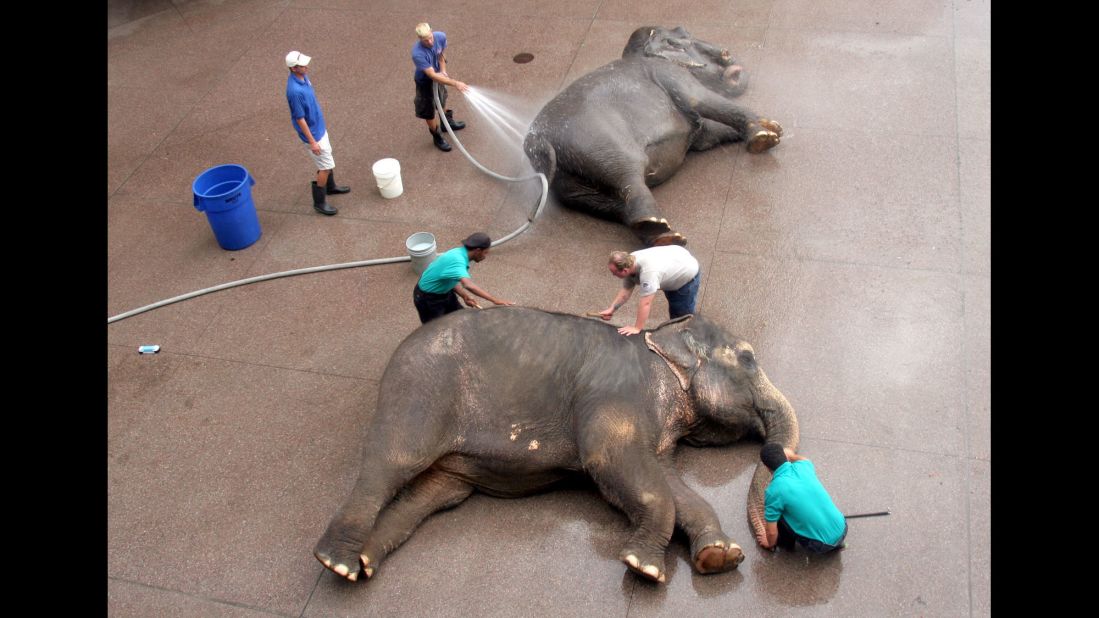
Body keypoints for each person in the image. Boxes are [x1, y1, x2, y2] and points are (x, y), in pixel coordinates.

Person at [285, 50, 350, 216]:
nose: (306, 66)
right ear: (293, 68)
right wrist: (312, 141)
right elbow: (299, 118)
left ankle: (331, 186)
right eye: (302, 65)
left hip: (319, 127)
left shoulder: (303, 78)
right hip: (314, 134)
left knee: (327, 160)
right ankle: (319, 202)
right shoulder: (294, 92)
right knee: (325, 166)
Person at [755, 443, 847, 554]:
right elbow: (803, 459)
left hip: (820, 545)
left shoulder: (773, 491)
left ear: (766, 467)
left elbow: (771, 532)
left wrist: (769, 542)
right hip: (843, 528)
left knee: (778, 511)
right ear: (785, 456)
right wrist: (792, 455)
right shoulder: (804, 466)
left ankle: (784, 544)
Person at [598, 245, 701, 336]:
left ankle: (692, 337)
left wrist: (637, 328)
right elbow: (626, 291)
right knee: (673, 308)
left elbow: (646, 303)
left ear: (624, 271)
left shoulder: (648, 273)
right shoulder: (629, 261)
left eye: (614, 273)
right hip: (673, 260)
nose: (613, 275)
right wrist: (612, 309)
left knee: (680, 318)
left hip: (686, 275)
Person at [413, 232, 515, 324]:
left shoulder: (459, 253)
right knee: (435, 330)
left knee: (459, 318)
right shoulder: (458, 261)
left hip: (445, 292)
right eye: (485, 253)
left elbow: (450, 278)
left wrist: (464, 296)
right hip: (428, 298)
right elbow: (468, 285)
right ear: (478, 250)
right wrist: (495, 300)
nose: (485, 256)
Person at [412, 22, 469, 152]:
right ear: (420, 39)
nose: (430, 42)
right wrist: (455, 83)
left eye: (431, 38)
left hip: (439, 76)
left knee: (442, 99)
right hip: (425, 81)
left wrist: (443, 71)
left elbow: (441, 55)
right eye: (426, 41)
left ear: (432, 32)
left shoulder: (440, 37)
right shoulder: (418, 54)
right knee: (429, 111)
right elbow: (432, 75)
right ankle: (437, 136)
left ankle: (446, 123)